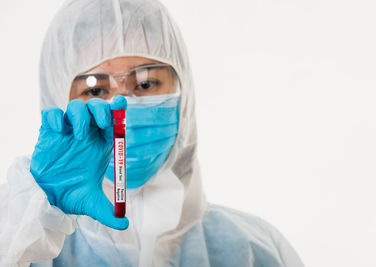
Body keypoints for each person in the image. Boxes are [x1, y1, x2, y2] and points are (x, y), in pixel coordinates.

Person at [0, 0, 305, 266]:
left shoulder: (256, 252)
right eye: (96, 90)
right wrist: (25, 222)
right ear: (57, 97)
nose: (123, 106)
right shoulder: (29, 252)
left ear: (183, 92)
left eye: (146, 84)